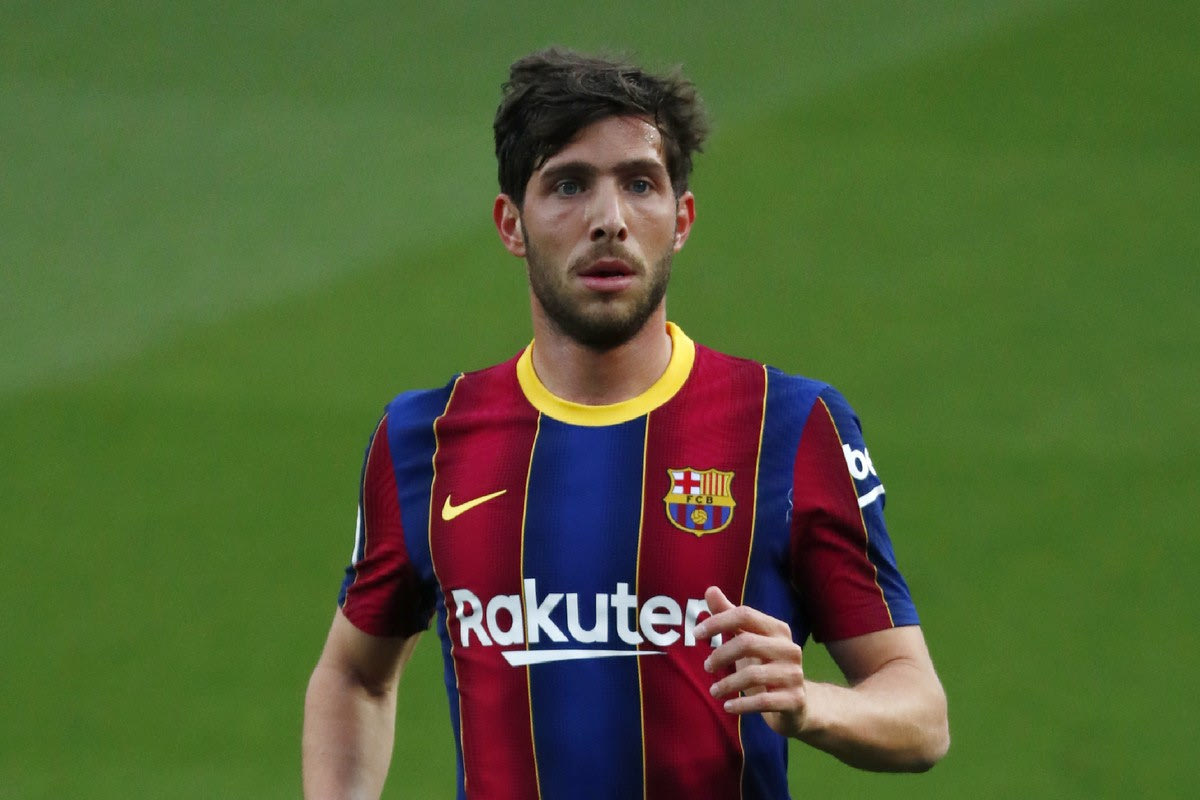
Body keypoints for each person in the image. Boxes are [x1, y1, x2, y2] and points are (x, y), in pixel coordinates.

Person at [302, 47, 949, 799]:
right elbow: (354, 675)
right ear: (512, 224)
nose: (608, 221)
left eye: (639, 184)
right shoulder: (425, 440)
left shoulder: (790, 426)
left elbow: (920, 714)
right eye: (568, 185)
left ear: (681, 219)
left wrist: (811, 703)